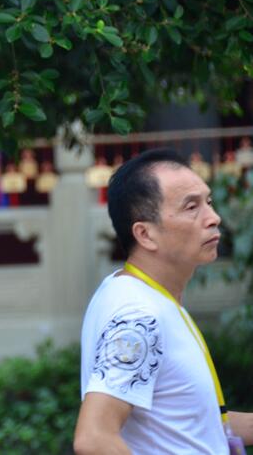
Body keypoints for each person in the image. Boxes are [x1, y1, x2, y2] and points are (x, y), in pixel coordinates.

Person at [74, 148, 253, 454]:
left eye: (208, 202)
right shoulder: (138, 314)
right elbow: (94, 438)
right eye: (191, 207)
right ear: (145, 234)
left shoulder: (149, 297)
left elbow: (196, 427)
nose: (213, 218)